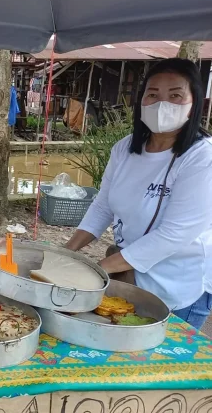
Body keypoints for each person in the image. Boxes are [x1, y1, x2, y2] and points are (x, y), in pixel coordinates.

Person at [65, 58, 212, 329]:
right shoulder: (124, 149)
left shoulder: (202, 157)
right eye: (153, 94)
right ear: (141, 100)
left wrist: (99, 269)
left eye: (175, 96)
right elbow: (102, 207)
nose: (162, 104)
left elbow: (174, 234)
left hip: (179, 285)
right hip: (131, 273)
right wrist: (66, 254)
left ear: (194, 105)